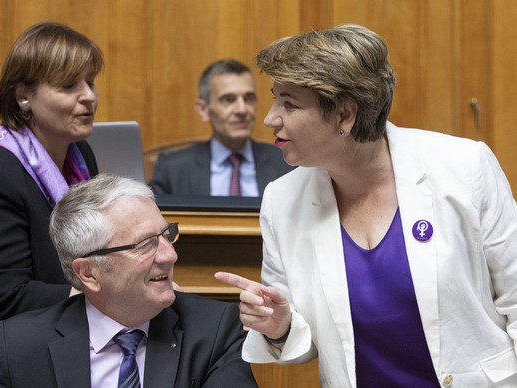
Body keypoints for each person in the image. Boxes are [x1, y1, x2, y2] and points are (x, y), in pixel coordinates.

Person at [215, 24, 517, 387]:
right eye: (275, 97)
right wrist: (279, 327)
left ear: (345, 115)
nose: (269, 118)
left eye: (289, 103)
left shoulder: (465, 166)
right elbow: (307, 340)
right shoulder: (282, 200)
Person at [0, 22, 103, 387]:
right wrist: (109, 294)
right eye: (69, 85)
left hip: (54, 345)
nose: (88, 96)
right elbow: (4, 297)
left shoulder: (81, 156)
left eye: (90, 82)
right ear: (23, 95)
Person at [0, 174, 258, 388]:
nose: (169, 254)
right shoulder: (21, 346)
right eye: (146, 244)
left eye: (166, 235)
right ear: (88, 273)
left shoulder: (214, 332)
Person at [149, 59, 293, 197]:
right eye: (228, 100)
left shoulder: (287, 163)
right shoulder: (173, 169)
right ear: (203, 109)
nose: (242, 110)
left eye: (248, 98)